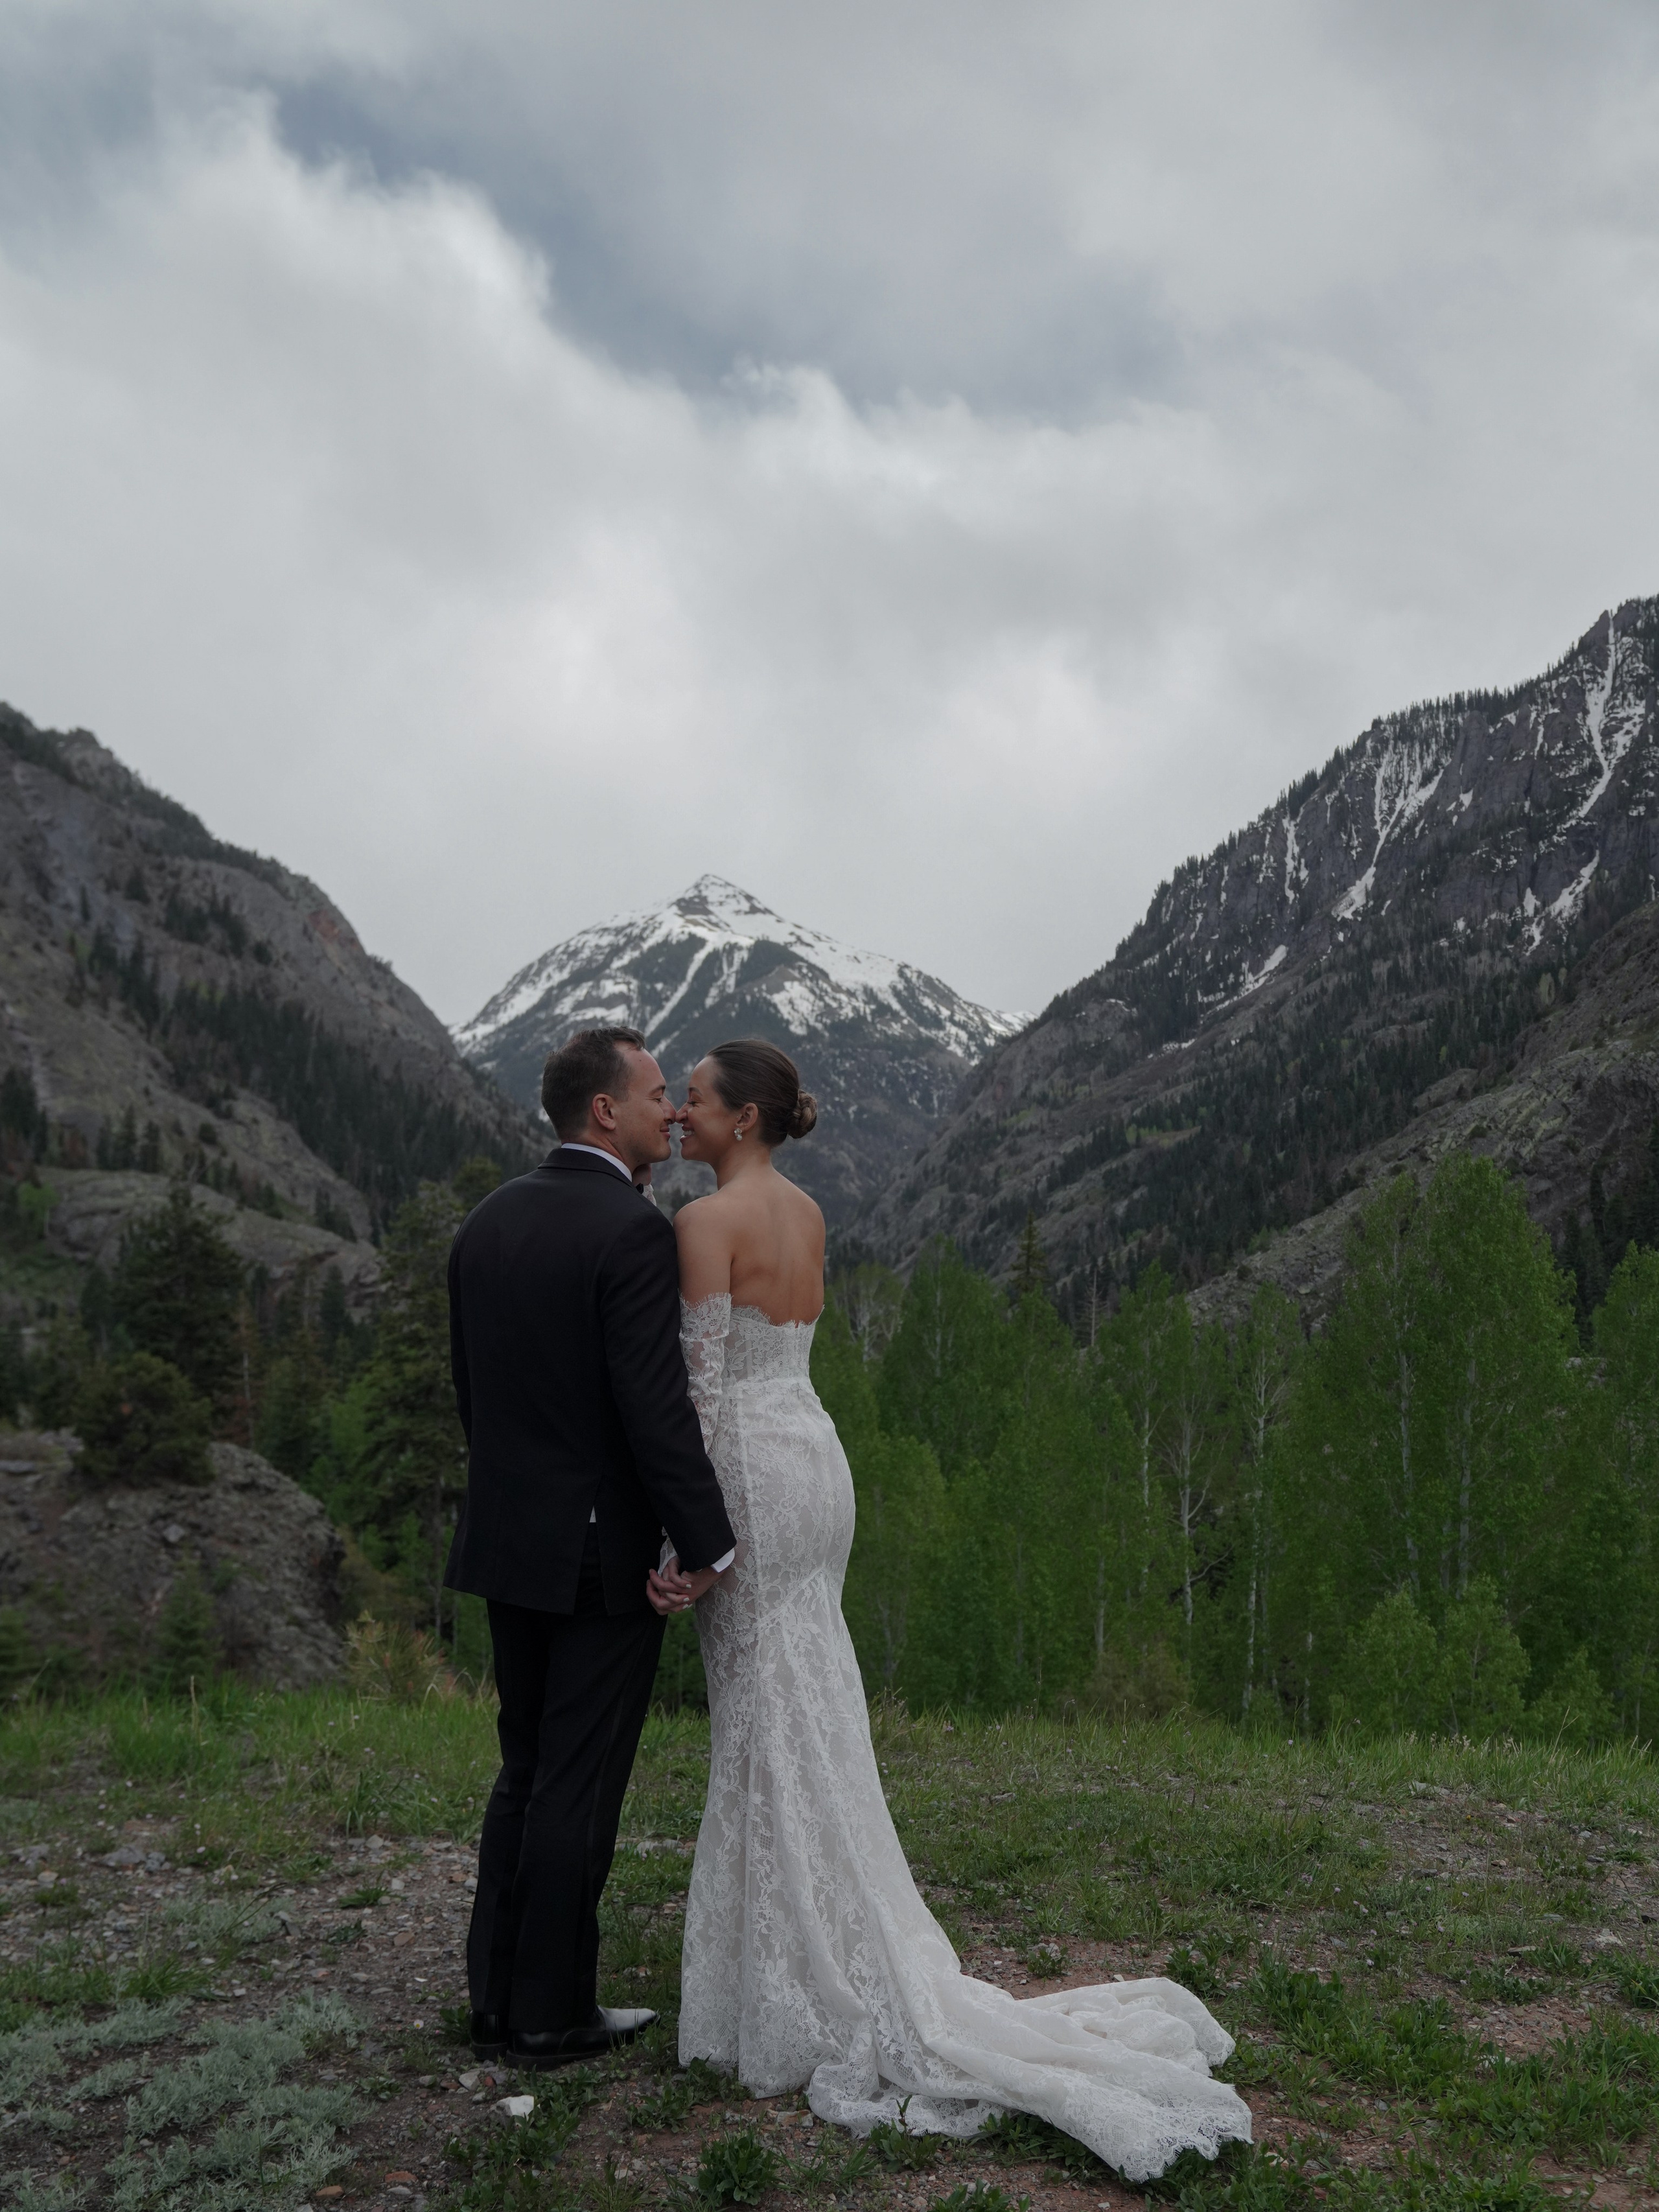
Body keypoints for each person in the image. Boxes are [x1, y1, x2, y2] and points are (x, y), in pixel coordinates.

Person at [649, 1038, 1253, 2182]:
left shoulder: (701, 1226)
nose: (679, 1110)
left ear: (740, 1119)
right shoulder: (811, 1214)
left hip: (750, 1475)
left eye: (694, 1097)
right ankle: (826, 1928)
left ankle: (794, 1974)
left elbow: (696, 1393)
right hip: (817, 1463)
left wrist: (683, 1540)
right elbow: (786, 1359)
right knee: (811, 1692)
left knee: (770, 1711)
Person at [445, 1026, 737, 2069]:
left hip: (507, 1545)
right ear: (604, 1110)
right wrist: (709, 1544)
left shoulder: (484, 1222)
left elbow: (476, 1396)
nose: (671, 1109)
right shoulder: (629, 1231)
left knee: (524, 1770)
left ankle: (494, 1998)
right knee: (579, 1780)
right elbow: (653, 1412)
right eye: (658, 1092)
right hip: (598, 1556)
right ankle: (551, 2014)